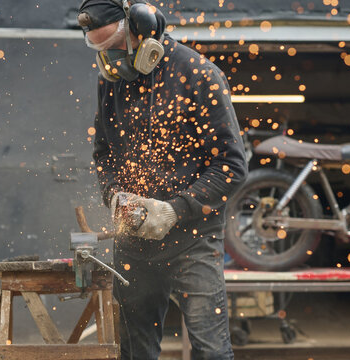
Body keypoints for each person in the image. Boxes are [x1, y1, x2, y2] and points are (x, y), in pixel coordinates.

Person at [77, 0, 248, 358]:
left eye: (115, 46)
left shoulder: (199, 73)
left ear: (143, 29)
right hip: (134, 242)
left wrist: (174, 210)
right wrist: (115, 198)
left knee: (211, 349)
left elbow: (231, 166)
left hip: (194, 240)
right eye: (101, 50)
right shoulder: (111, 81)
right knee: (135, 350)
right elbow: (104, 153)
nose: (110, 60)